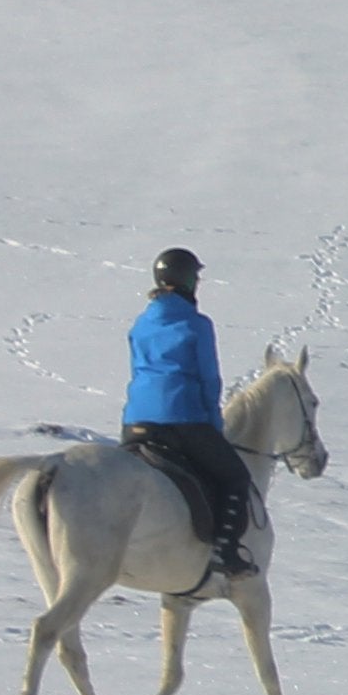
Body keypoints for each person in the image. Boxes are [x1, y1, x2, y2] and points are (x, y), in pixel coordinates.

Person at [125, 248, 256, 583]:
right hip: (182, 419)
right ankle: (226, 552)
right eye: (195, 276)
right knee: (235, 477)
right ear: (187, 280)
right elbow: (208, 380)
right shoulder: (196, 324)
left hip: (136, 423)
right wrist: (214, 426)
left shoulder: (140, 324)